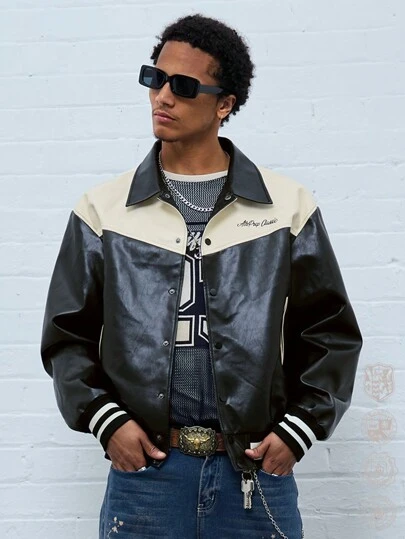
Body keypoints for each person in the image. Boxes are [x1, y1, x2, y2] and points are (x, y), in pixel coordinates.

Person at [41, 14, 362, 539]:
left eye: (184, 86)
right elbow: (66, 336)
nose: (163, 96)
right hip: (146, 478)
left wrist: (298, 432)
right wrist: (108, 422)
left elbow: (330, 333)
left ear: (224, 104)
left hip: (254, 472)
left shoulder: (286, 208)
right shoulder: (103, 210)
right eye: (155, 79)